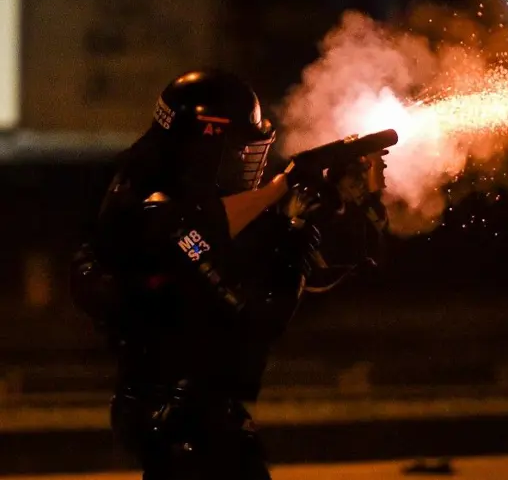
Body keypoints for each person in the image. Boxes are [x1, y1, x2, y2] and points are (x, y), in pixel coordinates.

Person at [70, 69, 388, 480]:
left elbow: (267, 258)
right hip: (176, 422)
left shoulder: (182, 203)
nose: (245, 161)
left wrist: (330, 202)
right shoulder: (157, 212)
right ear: (206, 145)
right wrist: (294, 218)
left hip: (196, 414)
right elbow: (262, 313)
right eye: (237, 150)